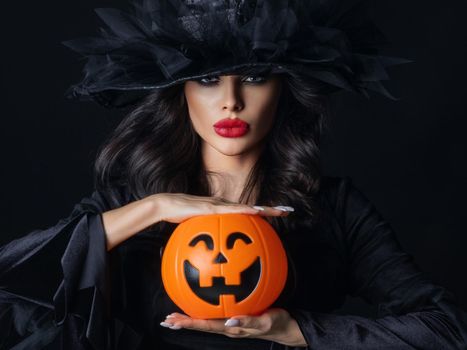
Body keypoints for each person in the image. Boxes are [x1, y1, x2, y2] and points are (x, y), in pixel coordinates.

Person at [1, 0, 466, 349]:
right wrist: (154, 208)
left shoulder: (334, 207)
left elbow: (445, 330)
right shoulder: (127, 208)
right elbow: (13, 284)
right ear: (179, 92)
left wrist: (297, 329)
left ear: (284, 90)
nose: (231, 101)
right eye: (206, 80)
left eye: (254, 76)